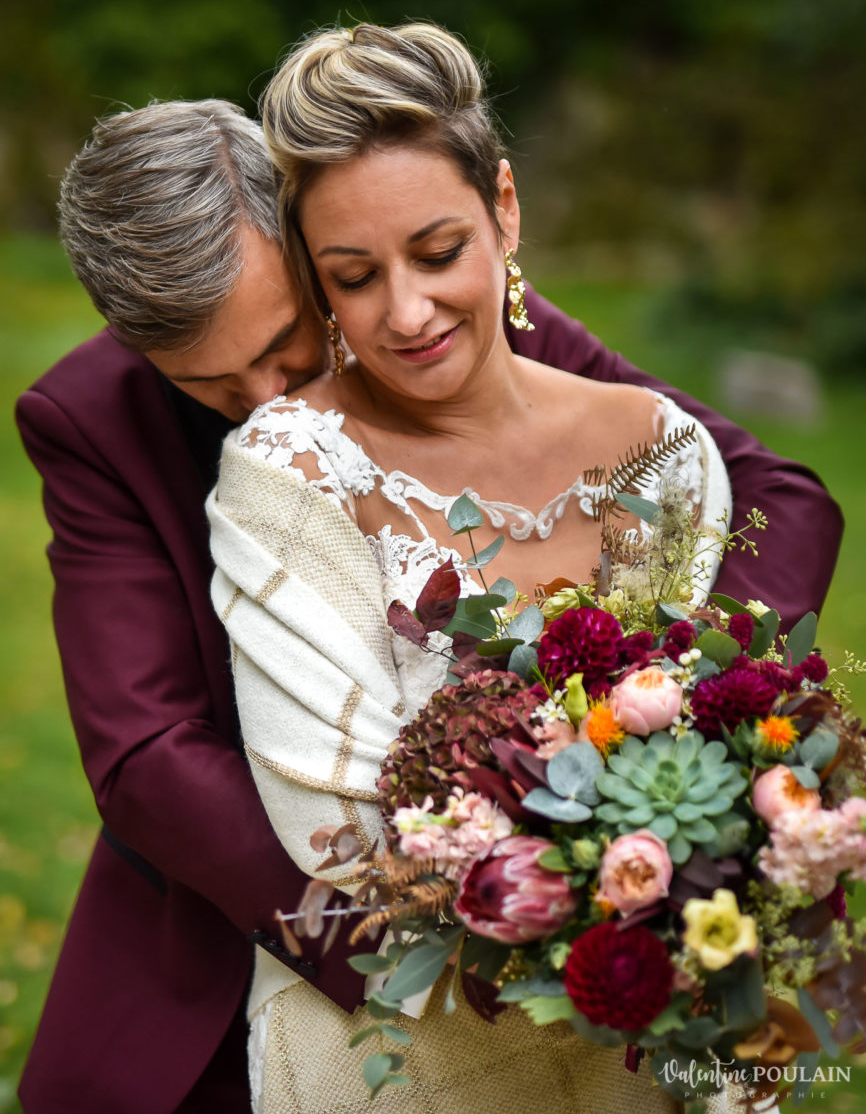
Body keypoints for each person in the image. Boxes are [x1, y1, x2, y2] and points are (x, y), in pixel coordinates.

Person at [16, 94, 838, 1112]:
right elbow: (144, 754)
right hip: (246, 918)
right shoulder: (89, 416)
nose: (272, 400)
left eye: (287, 342)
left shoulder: (436, 319)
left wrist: (671, 717)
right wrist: (392, 956)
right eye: (214, 386)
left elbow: (778, 496)